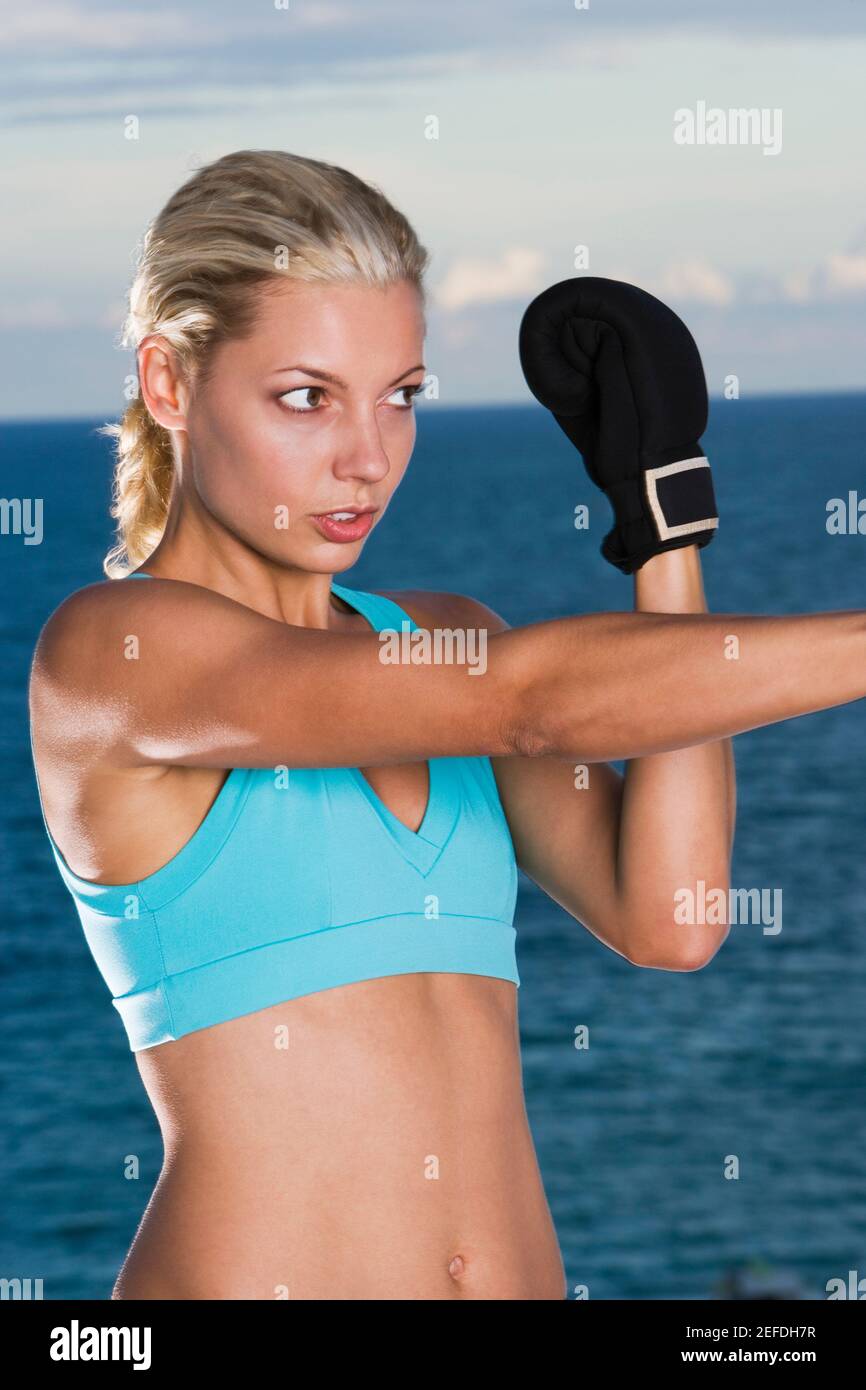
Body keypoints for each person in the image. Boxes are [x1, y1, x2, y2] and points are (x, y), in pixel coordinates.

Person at [28, 150, 866, 1301]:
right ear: (169, 384)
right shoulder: (114, 655)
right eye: (306, 397)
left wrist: (661, 523)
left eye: (401, 396)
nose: (368, 458)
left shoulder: (437, 631)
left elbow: (669, 918)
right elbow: (524, 702)